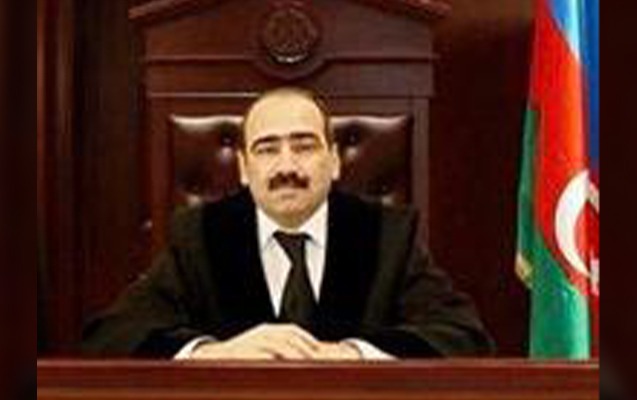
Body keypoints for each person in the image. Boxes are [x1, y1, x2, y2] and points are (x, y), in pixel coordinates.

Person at [82, 87, 494, 360]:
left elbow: (464, 336)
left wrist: (351, 353)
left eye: (304, 146)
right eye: (267, 149)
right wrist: (216, 352)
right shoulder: (201, 236)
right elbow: (111, 335)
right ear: (243, 168)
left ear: (334, 160)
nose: (287, 166)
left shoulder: (386, 235)